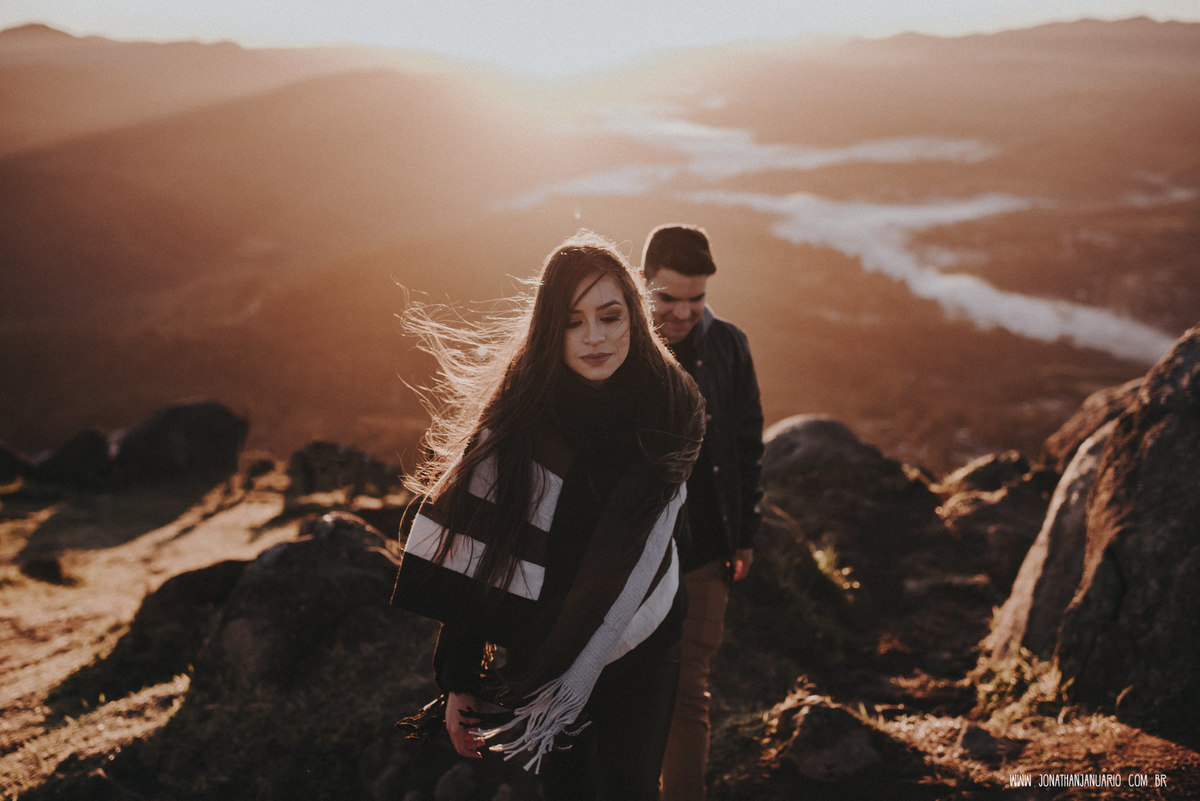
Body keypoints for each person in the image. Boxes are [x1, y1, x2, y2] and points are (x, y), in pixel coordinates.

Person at [396, 231, 705, 800]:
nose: (595, 336)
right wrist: (459, 681)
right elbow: (475, 552)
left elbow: (665, 535)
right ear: (550, 331)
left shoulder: (672, 406)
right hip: (550, 647)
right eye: (573, 321)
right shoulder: (518, 423)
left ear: (634, 318)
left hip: (647, 638)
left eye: (610, 316)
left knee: (632, 788)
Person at [641, 224, 764, 801]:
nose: (684, 312)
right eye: (669, 298)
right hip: (630, 555)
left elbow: (746, 444)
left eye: (696, 299)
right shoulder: (614, 348)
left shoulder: (730, 345)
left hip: (706, 550)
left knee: (688, 693)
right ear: (643, 285)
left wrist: (745, 536)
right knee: (621, 691)